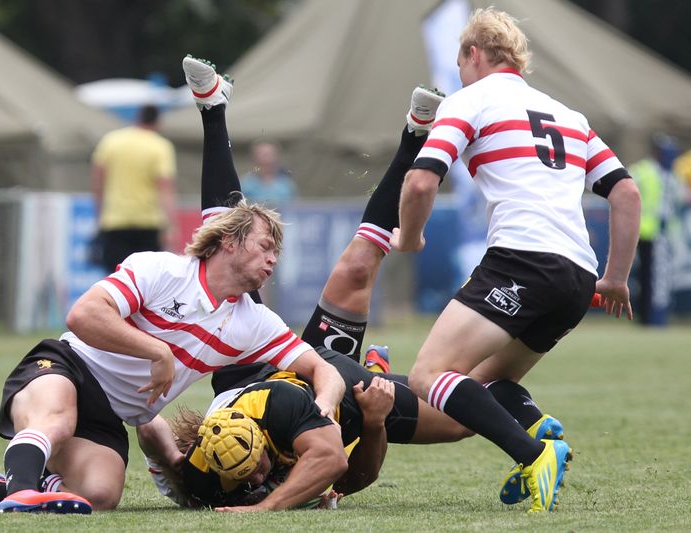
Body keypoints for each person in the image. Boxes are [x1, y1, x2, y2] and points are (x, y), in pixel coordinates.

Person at [0, 57, 345, 515]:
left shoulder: (253, 321)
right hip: (65, 365)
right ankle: (22, 490)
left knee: (101, 496)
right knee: (56, 419)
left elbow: (326, 371)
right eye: (265, 246)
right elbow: (82, 316)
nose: (274, 259)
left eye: (277, 252)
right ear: (230, 242)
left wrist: (322, 406)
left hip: (108, 416)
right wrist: (157, 352)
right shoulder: (161, 269)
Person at [142, 63, 568, 512]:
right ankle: (521, 410)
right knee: (455, 419)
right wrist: (375, 421)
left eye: (259, 468)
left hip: (265, 371)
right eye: (256, 477)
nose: (261, 475)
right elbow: (358, 478)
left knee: (290, 259)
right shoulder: (216, 477)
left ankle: (216, 109)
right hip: (337, 388)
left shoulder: (269, 414)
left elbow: (157, 434)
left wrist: (257, 505)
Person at [392, 8, 641, 513]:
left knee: (428, 375)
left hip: (523, 261)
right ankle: (539, 429)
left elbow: (420, 181)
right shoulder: (569, 116)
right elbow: (626, 192)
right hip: (576, 277)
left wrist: (411, 239)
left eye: (461, 63)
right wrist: (614, 277)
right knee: (480, 383)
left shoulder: (470, 100)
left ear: (473, 54)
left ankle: (534, 455)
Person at [92, 104, 178, 272]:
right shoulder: (160, 146)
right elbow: (165, 189)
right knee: (147, 282)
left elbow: (98, 181)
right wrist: (171, 226)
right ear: (157, 123)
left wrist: (100, 214)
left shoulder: (111, 141)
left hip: (115, 222)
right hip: (148, 224)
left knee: (116, 281)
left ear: (137, 117)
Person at [629, 133, 683, 325]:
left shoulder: (669, 174)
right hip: (647, 231)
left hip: (655, 231)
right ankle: (649, 318)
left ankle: (650, 318)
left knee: (649, 277)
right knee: (648, 277)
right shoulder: (644, 170)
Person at [239, 141, 298, 207]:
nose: (266, 159)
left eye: (269, 154)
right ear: (254, 158)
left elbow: (294, 208)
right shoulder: (245, 185)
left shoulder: (287, 185)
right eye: (262, 154)